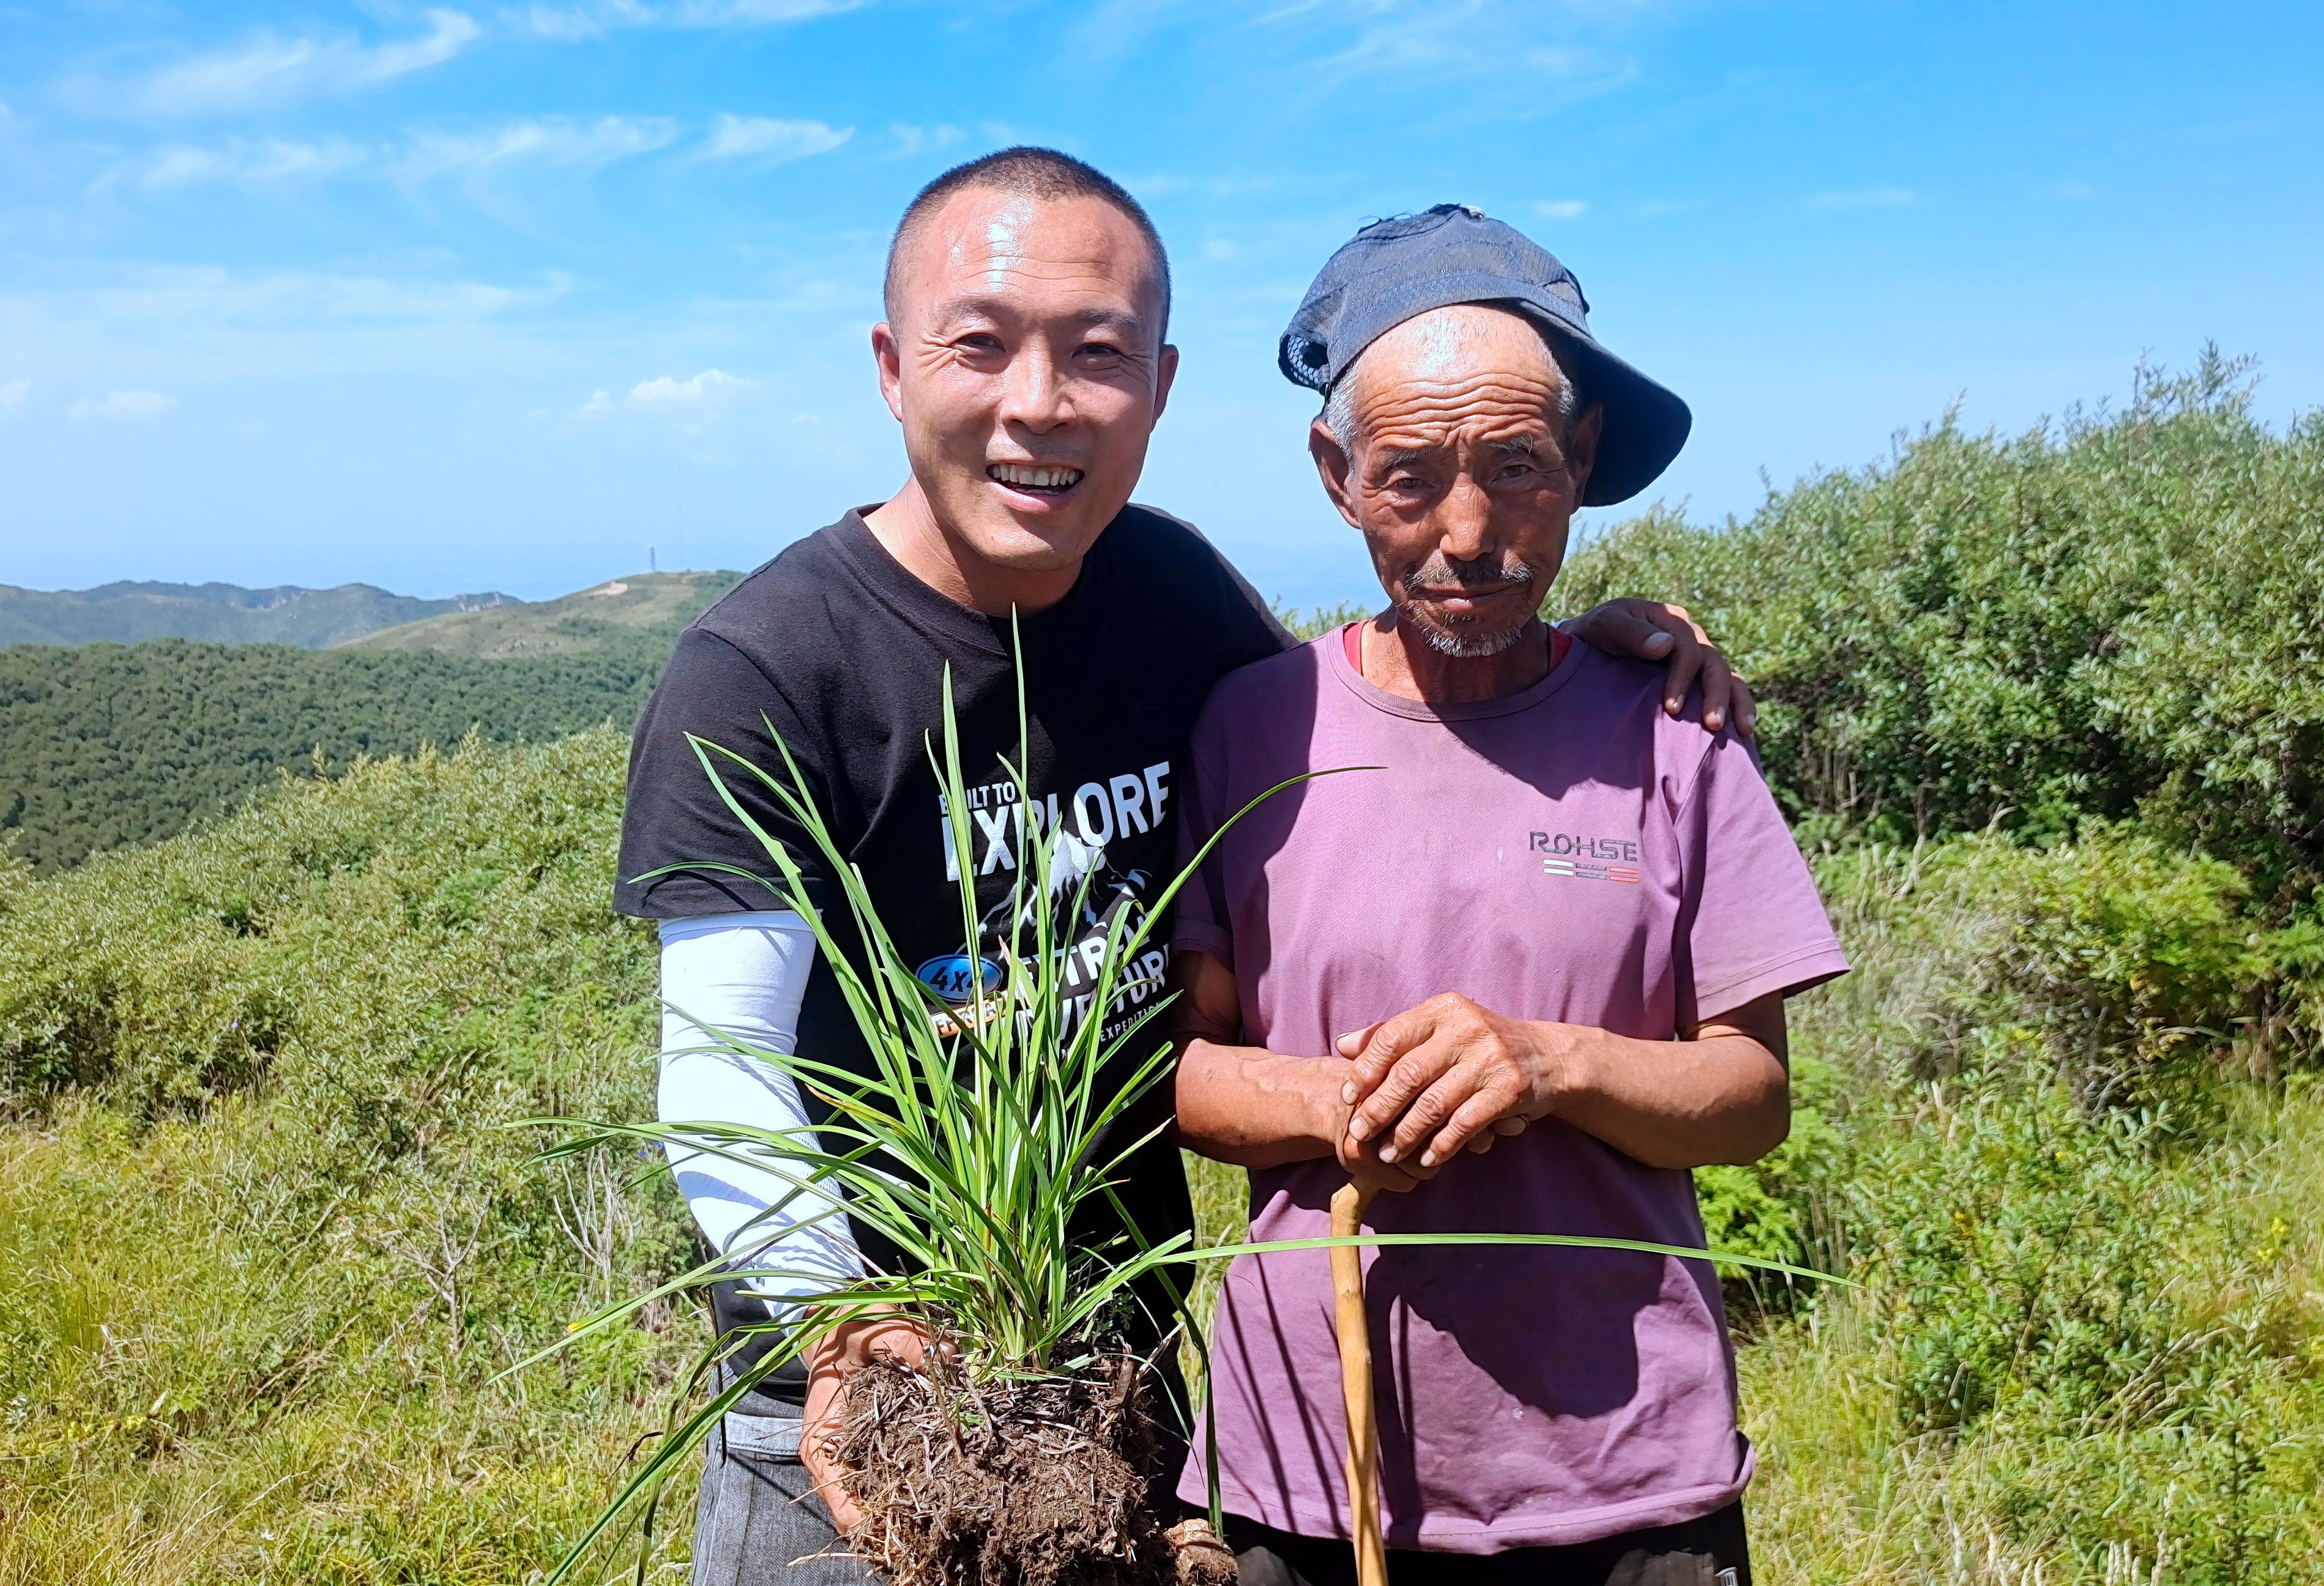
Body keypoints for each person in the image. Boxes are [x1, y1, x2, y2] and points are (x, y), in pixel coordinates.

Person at [611, 155, 1751, 1585]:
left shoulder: (1166, 594)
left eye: (1095, 355)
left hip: (1119, 1401)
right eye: (980, 343)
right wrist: (850, 1332)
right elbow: (719, 1077)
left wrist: (1575, 650)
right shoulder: (770, 671)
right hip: (863, 1420)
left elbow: (1385, 733)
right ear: (894, 371)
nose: (1039, 403)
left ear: (1156, 387)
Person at [1171, 206, 1851, 1585]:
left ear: (1584, 458)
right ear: (1335, 473)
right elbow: (1186, 1073)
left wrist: (1544, 1065)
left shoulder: (1671, 731)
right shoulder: (1251, 727)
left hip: (1622, 1482)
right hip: (1311, 1473)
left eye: (1520, 470)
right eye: (1409, 477)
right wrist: (1349, 1103)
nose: (1469, 535)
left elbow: (1751, 1098)